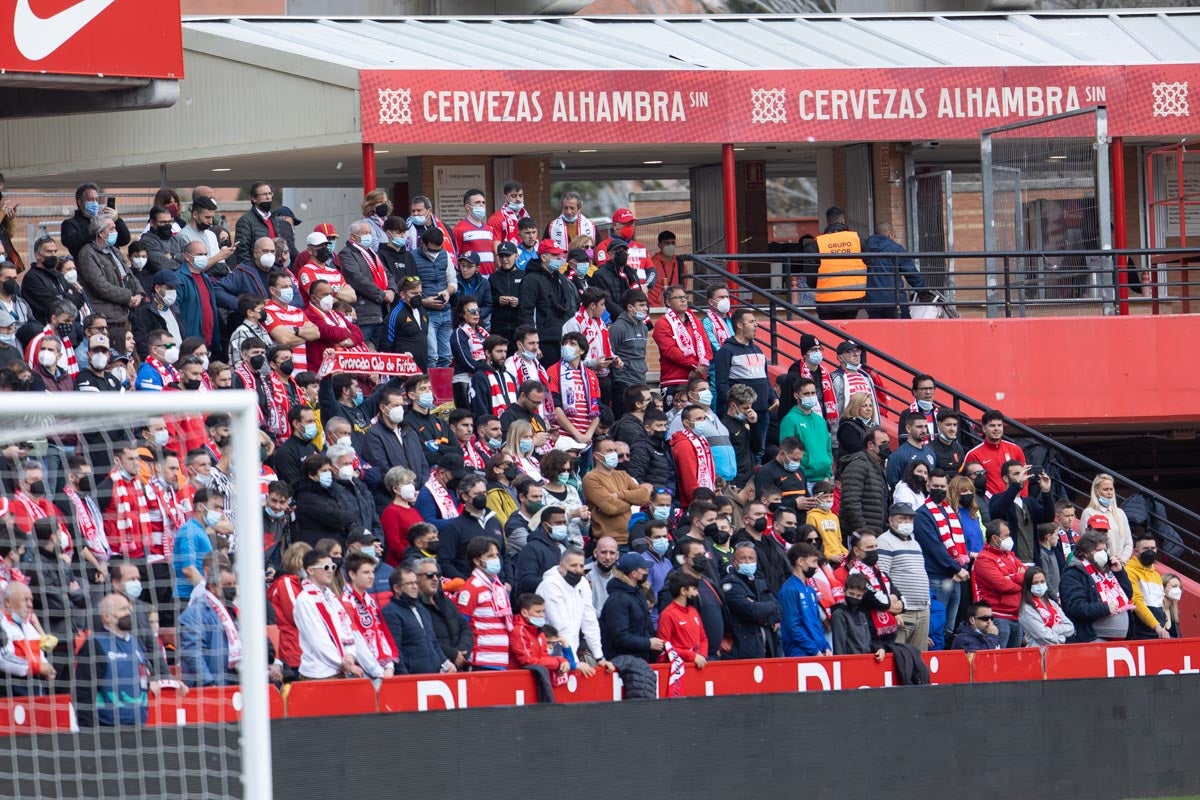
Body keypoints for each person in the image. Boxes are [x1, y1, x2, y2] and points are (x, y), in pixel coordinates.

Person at [294, 548, 379, 680]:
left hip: (340, 670)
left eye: (332, 566)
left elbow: (346, 628)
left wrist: (350, 654)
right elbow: (318, 640)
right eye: (325, 567)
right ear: (310, 570)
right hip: (319, 674)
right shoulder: (305, 600)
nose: (330, 571)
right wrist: (345, 664)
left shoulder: (332, 597)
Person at [74, 593, 152, 727]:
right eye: (123, 609)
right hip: (107, 728)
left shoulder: (135, 642)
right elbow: (83, 691)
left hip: (138, 725)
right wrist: (89, 731)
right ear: (106, 617)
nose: (129, 613)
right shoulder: (95, 644)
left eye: (129, 608)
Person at [914, 469, 971, 643]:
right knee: (936, 628)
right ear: (928, 486)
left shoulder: (950, 511)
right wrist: (956, 568)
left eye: (942, 487)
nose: (939, 490)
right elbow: (934, 547)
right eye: (935, 486)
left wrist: (961, 568)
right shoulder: (922, 514)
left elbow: (962, 542)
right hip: (937, 578)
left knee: (949, 629)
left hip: (955, 578)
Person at [712, 308, 776, 457]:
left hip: (762, 412)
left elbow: (765, 378)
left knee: (759, 452)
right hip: (740, 414)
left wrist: (773, 398)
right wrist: (733, 407)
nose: (756, 325)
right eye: (752, 321)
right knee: (741, 453)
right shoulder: (726, 351)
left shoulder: (758, 349)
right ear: (740, 325)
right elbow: (721, 384)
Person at [537, 549, 606, 671]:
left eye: (581, 566)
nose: (578, 570)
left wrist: (599, 657)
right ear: (562, 566)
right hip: (549, 652)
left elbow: (590, 621)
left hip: (570, 653)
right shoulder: (550, 585)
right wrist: (574, 662)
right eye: (573, 565)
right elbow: (561, 626)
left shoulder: (583, 583)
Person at [876, 502, 931, 651]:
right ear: (891, 520)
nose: (907, 522)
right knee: (899, 657)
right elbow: (882, 578)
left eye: (910, 519)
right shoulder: (884, 542)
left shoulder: (915, 543)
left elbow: (920, 572)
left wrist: (927, 604)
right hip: (901, 613)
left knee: (919, 659)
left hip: (922, 611)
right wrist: (893, 611)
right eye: (903, 518)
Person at [178, 560, 241, 687]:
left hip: (232, 682)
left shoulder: (232, 610)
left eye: (234, 584)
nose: (232, 588)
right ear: (212, 587)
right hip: (209, 687)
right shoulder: (195, 613)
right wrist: (208, 683)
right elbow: (193, 653)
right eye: (227, 584)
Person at [455, 537, 513, 670]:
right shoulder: (471, 588)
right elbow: (461, 624)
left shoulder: (498, 586)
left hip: (501, 660)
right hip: (480, 661)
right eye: (490, 556)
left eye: (497, 555)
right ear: (476, 561)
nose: (496, 559)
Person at [583, 437, 651, 548]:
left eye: (615, 450)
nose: (614, 454)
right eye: (609, 451)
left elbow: (645, 496)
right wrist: (633, 501)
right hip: (608, 543)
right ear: (596, 456)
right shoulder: (590, 478)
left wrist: (619, 495)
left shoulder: (623, 475)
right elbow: (611, 508)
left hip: (631, 538)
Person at [804, 206, 867, 319]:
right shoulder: (857, 239)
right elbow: (870, 263)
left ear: (827, 222)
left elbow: (811, 279)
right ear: (843, 220)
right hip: (854, 300)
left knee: (828, 329)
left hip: (827, 302)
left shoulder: (816, 244)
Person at [721, 542, 782, 659]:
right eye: (743, 558)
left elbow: (779, 609)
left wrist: (765, 613)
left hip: (767, 648)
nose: (747, 561)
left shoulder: (760, 581)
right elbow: (752, 611)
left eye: (751, 558)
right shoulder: (730, 583)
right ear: (734, 562)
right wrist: (770, 606)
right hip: (744, 650)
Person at [599, 553, 663, 662]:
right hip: (623, 662)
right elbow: (619, 637)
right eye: (643, 569)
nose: (646, 572)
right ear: (634, 574)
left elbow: (644, 627)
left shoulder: (638, 594)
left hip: (638, 659)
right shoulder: (618, 600)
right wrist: (648, 643)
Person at [989, 461, 1055, 564]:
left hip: (1033, 562)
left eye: (1022, 473)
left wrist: (1046, 492)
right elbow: (998, 512)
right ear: (1005, 478)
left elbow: (1048, 517)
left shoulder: (1029, 502)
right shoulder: (997, 499)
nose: (1021, 477)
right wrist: (1016, 485)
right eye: (1016, 474)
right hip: (1011, 562)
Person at [653, 286, 711, 396]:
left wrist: (702, 365)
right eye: (678, 298)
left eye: (684, 297)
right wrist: (694, 366)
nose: (683, 300)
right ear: (668, 302)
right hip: (675, 379)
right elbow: (670, 351)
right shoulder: (662, 323)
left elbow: (706, 344)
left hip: (699, 379)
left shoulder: (695, 321)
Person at [863, 221, 927, 319]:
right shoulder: (896, 248)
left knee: (877, 328)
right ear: (890, 234)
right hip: (894, 300)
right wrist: (923, 291)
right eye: (894, 236)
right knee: (904, 327)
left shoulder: (866, 248)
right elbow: (910, 272)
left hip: (873, 300)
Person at [779, 542, 830, 657]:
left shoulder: (810, 590)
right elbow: (793, 628)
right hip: (800, 653)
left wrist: (826, 646)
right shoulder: (789, 589)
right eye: (814, 562)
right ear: (801, 561)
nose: (816, 567)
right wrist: (814, 650)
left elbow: (816, 623)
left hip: (817, 651)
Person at [780, 378, 833, 485]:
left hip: (824, 480)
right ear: (796, 396)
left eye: (813, 393)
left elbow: (828, 449)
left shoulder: (820, 420)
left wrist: (828, 474)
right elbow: (786, 452)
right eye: (806, 394)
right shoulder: (789, 420)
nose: (811, 396)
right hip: (804, 480)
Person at [963, 410, 1027, 498]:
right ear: (984, 429)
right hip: (989, 503)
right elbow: (968, 484)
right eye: (992, 425)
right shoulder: (973, 454)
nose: (996, 428)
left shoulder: (1016, 449)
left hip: (1015, 501)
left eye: (999, 425)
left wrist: (1022, 499)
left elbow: (1024, 477)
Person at [608, 290, 650, 417]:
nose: (645, 308)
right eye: (641, 305)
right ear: (630, 307)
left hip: (640, 380)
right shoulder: (617, 328)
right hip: (623, 383)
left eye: (646, 305)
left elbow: (642, 354)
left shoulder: (644, 328)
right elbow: (610, 354)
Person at [656, 571, 707, 668]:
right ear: (683, 591)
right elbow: (665, 646)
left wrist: (702, 655)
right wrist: (692, 656)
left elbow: (703, 637)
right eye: (694, 589)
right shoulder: (667, 614)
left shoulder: (693, 611)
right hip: (676, 668)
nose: (697, 593)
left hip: (697, 664)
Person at [1080, 473, 1134, 563]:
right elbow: (1085, 543)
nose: (1109, 493)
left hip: (1119, 564)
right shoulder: (1088, 512)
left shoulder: (1120, 513)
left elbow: (1128, 543)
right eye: (1105, 489)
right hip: (1097, 563)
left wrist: (1122, 560)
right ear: (1096, 491)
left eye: (1111, 489)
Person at [671, 405, 718, 507]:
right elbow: (689, 479)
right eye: (698, 419)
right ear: (686, 423)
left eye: (704, 418)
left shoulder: (701, 440)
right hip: (693, 504)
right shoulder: (684, 445)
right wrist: (702, 503)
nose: (703, 422)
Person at [1126, 532, 1170, 640]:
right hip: (1141, 633)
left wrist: (1162, 628)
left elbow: (1160, 605)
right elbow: (1137, 602)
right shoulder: (1129, 571)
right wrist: (1157, 627)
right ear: (1136, 551)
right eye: (1145, 548)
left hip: (1158, 632)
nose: (1150, 551)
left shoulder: (1157, 575)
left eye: (1152, 548)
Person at [1018, 567, 1075, 646]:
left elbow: (1070, 627)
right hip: (1037, 650)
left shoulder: (1052, 603)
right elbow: (1043, 636)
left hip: (1058, 650)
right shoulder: (1027, 608)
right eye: (1035, 583)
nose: (1039, 585)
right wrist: (1062, 639)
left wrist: (1051, 628)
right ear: (1028, 585)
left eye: (1042, 581)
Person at [754, 436, 814, 510]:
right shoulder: (766, 472)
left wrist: (812, 502)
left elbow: (806, 495)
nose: (798, 463)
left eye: (799, 459)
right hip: (780, 516)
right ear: (782, 454)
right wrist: (794, 504)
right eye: (795, 459)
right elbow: (762, 504)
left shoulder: (799, 470)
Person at [830, 341, 879, 425]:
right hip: (847, 428)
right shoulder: (835, 379)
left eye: (858, 351)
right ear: (840, 358)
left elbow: (874, 406)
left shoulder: (866, 377)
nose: (856, 354)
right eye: (851, 351)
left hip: (868, 428)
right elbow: (831, 407)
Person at [885, 415, 936, 488]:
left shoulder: (931, 453)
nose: (924, 430)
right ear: (908, 428)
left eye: (925, 427)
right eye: (919, 427)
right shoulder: (898, 455)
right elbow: (893, 484)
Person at [836, 392, 877, 457]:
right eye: (864, 406)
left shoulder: (875, 426)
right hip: (855, 462)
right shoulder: (847, 427)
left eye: (870, 406)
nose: (868, 409)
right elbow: (857, 451)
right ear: (855, 407)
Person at [1161, 573, 1184, 638]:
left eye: (1180, 587)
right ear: (1163, 588)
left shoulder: (1175, 613)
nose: (1178, 590)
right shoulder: (1156, 610)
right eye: (1174, 586)